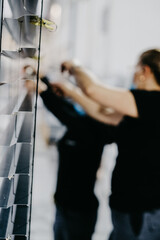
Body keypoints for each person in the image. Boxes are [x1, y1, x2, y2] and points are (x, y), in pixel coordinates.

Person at [52, 49, 160, 240]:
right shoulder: (141, 108)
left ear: (145, 71)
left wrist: (75, 66)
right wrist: (70, 92)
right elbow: (101, 112)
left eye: (135, 67)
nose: (133, 73)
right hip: (128, 211)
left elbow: (93, 89)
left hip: (142, 213)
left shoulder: (153, 102)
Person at [24, 71, 114, 240]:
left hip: (79, 211)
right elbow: (67, 109)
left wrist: (42, 90)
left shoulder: (94, 129)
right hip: (64, 205)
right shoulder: (85, 122)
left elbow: (64, 113)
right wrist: (43, 77)